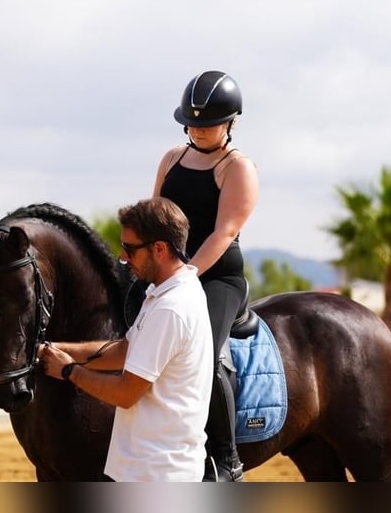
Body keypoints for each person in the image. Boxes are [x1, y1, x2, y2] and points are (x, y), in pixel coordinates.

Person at [39, 197, 213, 482]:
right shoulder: (164, 293)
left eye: (130, 249)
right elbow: (124, 350)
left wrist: (69, 371)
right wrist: (56, 349)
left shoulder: (172, 307)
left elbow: (126, 393)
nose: (122, 257)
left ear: (159, 249)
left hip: (158, 473)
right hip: (147, 468)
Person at [153, 70, 259, 482]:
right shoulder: (171, 159)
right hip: (168, 273)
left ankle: (227, 458)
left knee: (205, 357)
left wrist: (185, 275)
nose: (198, 130)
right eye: (192, 123)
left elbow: (224, 232)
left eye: (208, 123)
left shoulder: (237, 167)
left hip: (217, 278)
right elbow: (155, 218)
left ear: (230, 122)